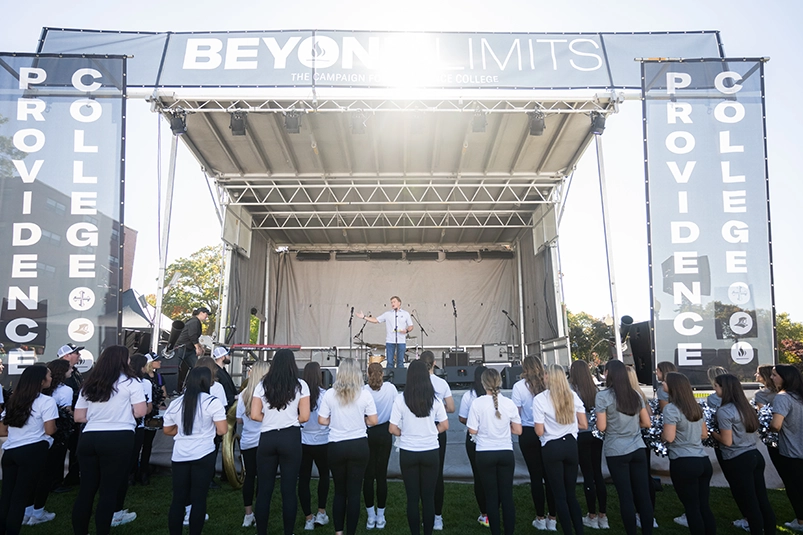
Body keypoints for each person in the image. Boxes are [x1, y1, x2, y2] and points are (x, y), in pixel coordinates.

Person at [71, 345, 148, 535]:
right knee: (108, 491)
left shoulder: (89, 383)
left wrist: (100, 416)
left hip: (89, 437)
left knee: (86, 491)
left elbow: (78, 417)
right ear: (123, 360)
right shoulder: (131, 383)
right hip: (118, 437)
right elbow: (140, 412)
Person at [250, 349, 310, 535]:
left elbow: (253, 414)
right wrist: (289, 419)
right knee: (289, 490)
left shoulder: (262, 384)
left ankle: (261, 532)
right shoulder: (301, 385)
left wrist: (269, 420)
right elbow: (305, 416)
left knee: (264, 490)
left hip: (267, 437)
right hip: (290, 437)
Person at [163, 366, 228, 535]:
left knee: (178, 499)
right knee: (199, 499)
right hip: (203, 453)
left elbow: (167, 430)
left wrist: (185, 432)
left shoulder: (176, 403)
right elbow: (222, 430)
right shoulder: (212, 402)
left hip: (180, 455)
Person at [318, 359, 378, 535]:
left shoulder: (329, 394)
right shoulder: (365, 394)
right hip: (358, 445)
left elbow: (321, 420)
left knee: (339, 492)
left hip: (336, 446)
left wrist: (334, 421)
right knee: (354, 493)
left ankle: (339, 532)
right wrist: (361, 421)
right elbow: (374, 421)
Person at [389, 359, 448, 535]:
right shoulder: (435, 400)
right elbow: (445, 425)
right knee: (428, 498)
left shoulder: (401, 399)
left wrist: (404, 433)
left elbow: (392, 428)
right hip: (430, 451)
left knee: (412, 499)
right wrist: (432, 431)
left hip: (409, 452)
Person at [711, 374, 775, 535]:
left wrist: (711, 433)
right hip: (754, 454)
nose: (714, 389)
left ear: (724, 388)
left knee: (750, 502)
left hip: (738, 459)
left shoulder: (724, 411)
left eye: (716, 386)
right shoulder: (746, 407)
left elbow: (726, 441)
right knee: (762, 499)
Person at [595, 359, 653, 535]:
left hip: (616, 450)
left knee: (626, 496)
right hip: (637, 448)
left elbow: (602, 427)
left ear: (608, 374)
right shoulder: (635, 394)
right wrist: (632, 427)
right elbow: (647, 422)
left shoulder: (603, 396)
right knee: (643, 495)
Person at [0, 365, 58, 533]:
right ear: (41, 381)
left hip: (10, 451)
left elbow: (2, 430)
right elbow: (49, 430)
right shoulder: (47, 401)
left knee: (7, 496)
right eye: (49, 375)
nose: (51, 378)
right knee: (20, 498)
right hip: (32, 451)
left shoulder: (13, 400)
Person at [534, 364, 587, 535]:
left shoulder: (540, 399)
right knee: (571, 494)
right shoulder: (573, 396)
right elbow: (584, 424)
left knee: (560, 496)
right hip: (571, 445)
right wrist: (569, 426)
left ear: (548, 376)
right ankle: (579, 530)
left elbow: (539, 431)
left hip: (552, 446)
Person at [468, 368, 523, 535]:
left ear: (483, 383)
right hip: (505, 451)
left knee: (491, 496)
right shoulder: (509, 403)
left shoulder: (477, 403)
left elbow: (472, 430)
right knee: (506, 495)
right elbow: (518, 430)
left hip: (485, 452)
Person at [661, 372, 716, 535]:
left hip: (683, 461)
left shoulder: (671, 409)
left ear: (672, 387)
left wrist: (662, 435)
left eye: (665, 382)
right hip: (703, 461)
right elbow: (704, 434)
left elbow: (669, 437)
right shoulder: (696, 407)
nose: (662, 384)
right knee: (703, 505)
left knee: (692, 508)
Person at [512, 355, 556, 530]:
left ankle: (540, 516)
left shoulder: (518, 387)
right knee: (550, 475)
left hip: (528, 432)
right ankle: (552, 518)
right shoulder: (549, 383)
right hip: (548, 430)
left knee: (536, 476)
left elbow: (516, 413)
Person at [27, 359, 73, 524]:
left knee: (33, 477)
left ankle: (28, 511)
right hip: (51, 438)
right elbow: (65, 415)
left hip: (32, 440)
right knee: (45, 476)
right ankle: (37, 512)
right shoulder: (62, 392)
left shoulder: (28, 396)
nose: (72, 370)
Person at [569, 360, 608, 530]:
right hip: (596, 435)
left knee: (588, 475)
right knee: (597, 473)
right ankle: (602, 515)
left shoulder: (571, 391)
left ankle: (592, 515)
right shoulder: (596, 390)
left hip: (581, 434)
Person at [419, 350, 454, 530]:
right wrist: (439, 410)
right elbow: (452, 408)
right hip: (438, 427)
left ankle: (427, 516)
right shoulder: (441, 383)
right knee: (437, 472)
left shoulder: (416, 383)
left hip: (422, 427)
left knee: (422, 475)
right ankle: (437, 517)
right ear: (434, 364)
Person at [363, 362, 397, 529]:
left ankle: (371, 517)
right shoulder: (390, 388)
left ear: (368, 374)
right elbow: (397, 407)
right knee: (381, 475)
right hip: (385, 433)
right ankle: (381, 517)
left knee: (368, 475)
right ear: (382, 374)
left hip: (368, 431)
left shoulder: (364, 390)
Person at [236, 360, 270, 528]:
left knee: (250, 476)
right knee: (264, 479)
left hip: (248, 441)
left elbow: (238, 420)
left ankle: (248, 514)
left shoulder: (243, 395)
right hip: (264, 441)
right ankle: (261, 513)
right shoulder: (268, 393)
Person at [769, 364, 803, 532]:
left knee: (795, 487)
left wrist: (765, 424)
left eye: (774, 375)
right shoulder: (799, 396)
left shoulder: (783, 397)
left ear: (785, 377)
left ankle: (801, 521)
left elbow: (776, 425)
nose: (771, 378)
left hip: (792, 450)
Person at [298, 361, 331, 531]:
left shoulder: (299, 394)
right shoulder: (325, 394)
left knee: (303, 479)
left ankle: (308, 518)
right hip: (323, 441)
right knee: (324, 476)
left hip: (304, 441)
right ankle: (321, 512)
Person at [458, 365, 490, 527]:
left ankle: (485, 513)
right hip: (488, 439)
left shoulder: (469, 396)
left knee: (479, 476)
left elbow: (462, 418)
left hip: (475, 438)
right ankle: (491, 511)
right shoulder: (471, 396)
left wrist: (472, 421)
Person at [627, 365, 657, 527]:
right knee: (645, 478)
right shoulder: (641, 396)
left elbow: (647, 421)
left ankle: (641, 514)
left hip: (636, 441)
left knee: (637, 480)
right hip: (644, 441)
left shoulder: (634, 396)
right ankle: (649, 514)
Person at [56, 343, 85, 492]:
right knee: (59, 451)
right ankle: (56, 482)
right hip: (65, 418)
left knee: (75, 449)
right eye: (76, 353)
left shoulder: (75, 371)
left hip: (75, 417)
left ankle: (72, 477)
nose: (79, 355)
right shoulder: (60, 373)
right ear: (66, 356)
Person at [355, 296, 413, 369]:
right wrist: (364, 317)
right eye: (391, 302)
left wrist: (406, 330)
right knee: (390, 362)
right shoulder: (387, 314)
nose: (392, 303)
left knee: (400, 362)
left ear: (399, 303)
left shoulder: (405, 314)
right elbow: (376, 320)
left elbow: (411, 326)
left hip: (401, 341)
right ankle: (390, 379)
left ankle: (400, 379)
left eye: (394, 302)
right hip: (390, 341)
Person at [139, 354, 168, 485]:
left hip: (153, 412)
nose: (160, 362)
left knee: (148, 443)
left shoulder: (159, 377)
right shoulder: (142, 378)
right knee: (138, 443)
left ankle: (144, 471)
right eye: (157, 360)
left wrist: (157, 404)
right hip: (141, 413)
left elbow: (164, 394)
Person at [175, 307, 211, 391]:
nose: (207, 316)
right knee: (178, 367)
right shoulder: (194, 322)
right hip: (182, 347)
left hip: (189, 349)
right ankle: (177, 387)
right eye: (206, 314)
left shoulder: (196, 322)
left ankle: (191, 386)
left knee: (196, 366)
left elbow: (194, 337)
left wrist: (200, 346)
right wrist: (197, 347)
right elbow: (192, 335)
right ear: (201, 313)